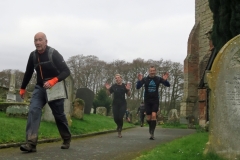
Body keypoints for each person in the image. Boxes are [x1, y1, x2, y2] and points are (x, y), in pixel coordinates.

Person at [19, 32, 71, 152]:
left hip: (55, 87)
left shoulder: (54, 53)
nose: (37, 42)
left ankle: (66, 138)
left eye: (40, 40)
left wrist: (54, 80)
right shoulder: (33, 56)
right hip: (40, 87)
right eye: (35, 40)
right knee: (33, 110)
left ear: (46, 41)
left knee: (59, 115)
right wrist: (22, 88)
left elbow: (66, 71)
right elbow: (28, 72)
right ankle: (31, 143)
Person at [136, 66, 170, 140]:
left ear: (155, 71)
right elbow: (138, 87)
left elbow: (168, 85)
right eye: (151, 71)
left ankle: (152, 133)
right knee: (148, 118)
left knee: (154, 116)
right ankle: (150, 128)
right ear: (149, 71)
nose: (152, 72)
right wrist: (139, 81)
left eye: (153, 71)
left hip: (155, 100)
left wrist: (165, 80)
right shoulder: (145, 79)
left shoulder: (158, 79)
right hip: (147, 100)